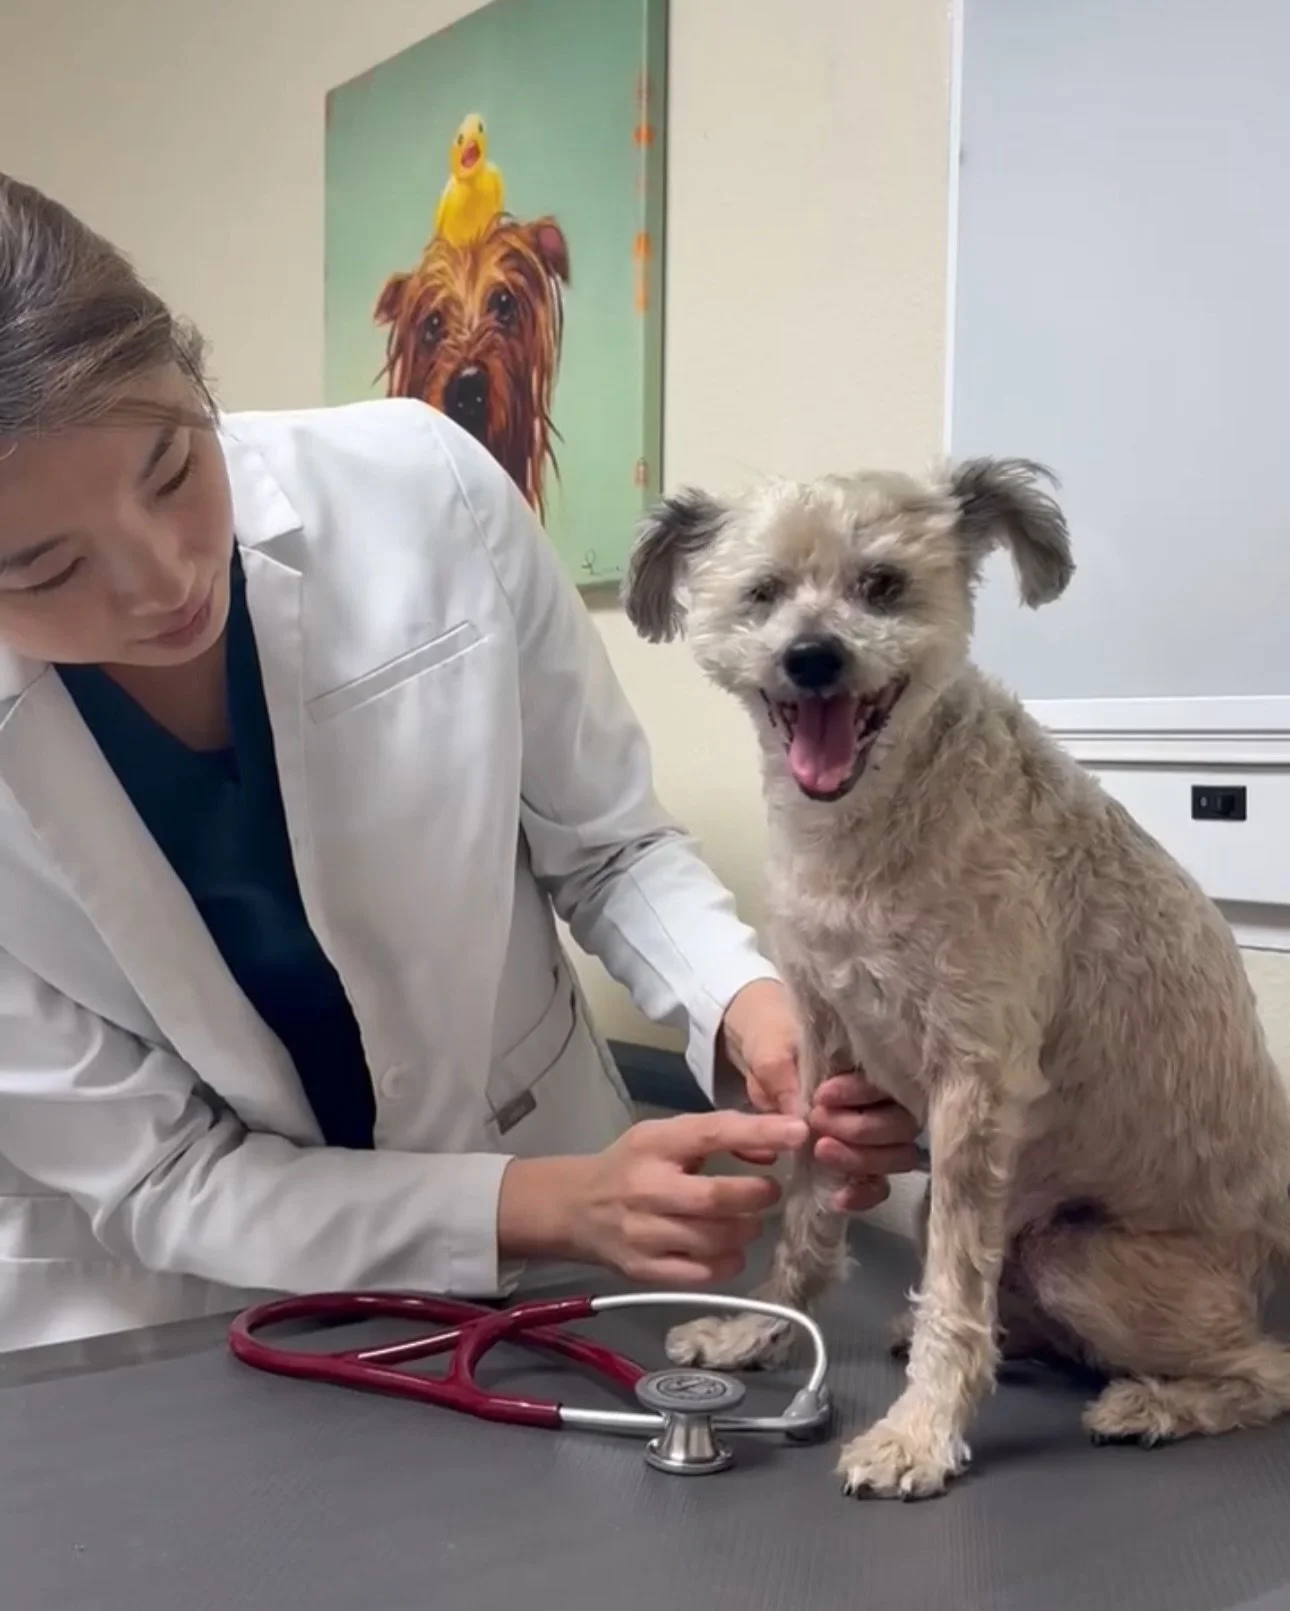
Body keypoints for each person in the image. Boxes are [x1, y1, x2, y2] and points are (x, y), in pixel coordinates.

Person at [0, 172, 922, 1351]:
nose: (163, 579)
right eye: (43, 570)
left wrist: (746, 1006)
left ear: (194, 376)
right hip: (199, 1312)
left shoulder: (421, 487)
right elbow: (166, 1178)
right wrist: (544, 1207)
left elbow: (610, 849)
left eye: (174, 472)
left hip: (558, 1217)